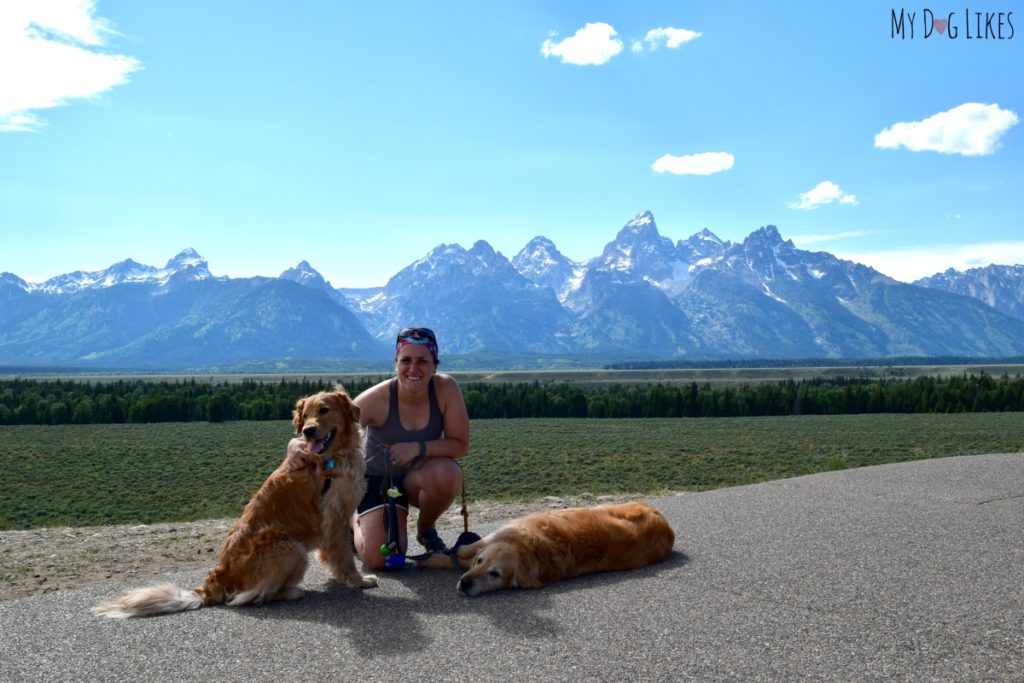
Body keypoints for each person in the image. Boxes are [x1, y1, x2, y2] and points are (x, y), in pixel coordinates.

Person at [281, 327, 469, 571]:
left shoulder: (446, 389)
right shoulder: (376, 399)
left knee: (448, 474)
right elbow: (330, 426)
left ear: (434, 365)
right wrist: (294, 444)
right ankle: (352, 517)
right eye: (406, 361)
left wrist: (417, 448)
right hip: (378, 482)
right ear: (396, 364)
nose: (414, 369)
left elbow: (460, 445)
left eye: (422, 361)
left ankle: (426, 531)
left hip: (419, 477)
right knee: (383, 558)